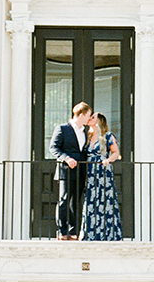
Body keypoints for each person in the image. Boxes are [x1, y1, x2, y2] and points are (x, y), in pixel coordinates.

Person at [49, 101, 93, 240]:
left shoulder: (84, 132)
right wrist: (66, 158)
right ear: (81, 115)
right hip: (66, 170)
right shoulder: (62, 128)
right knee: (64, 200)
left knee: (75, 202)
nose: (89, 118)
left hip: (80, 171)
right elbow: (53, 148)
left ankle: (73, 232)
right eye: (88, 115)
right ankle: (62, 231)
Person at [80, 112, 123, 241]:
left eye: (93, 117)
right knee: (91, 201)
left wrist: (108, 160)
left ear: (99, 121)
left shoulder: (107, 136)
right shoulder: (87, 135)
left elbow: (116, 153)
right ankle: (90, 234)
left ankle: (108, 234)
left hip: (103, 171)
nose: (90, 118)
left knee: (105, 200)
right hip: (90, 171)